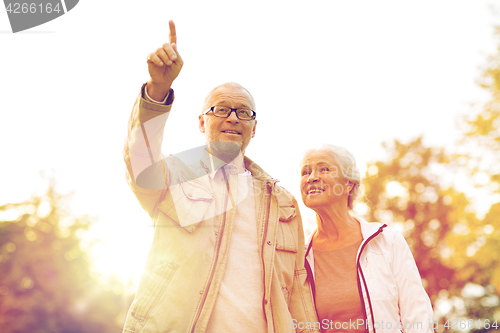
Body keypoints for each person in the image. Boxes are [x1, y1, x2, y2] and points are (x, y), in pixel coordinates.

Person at [122, 20, 319, 333]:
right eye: (221, 109)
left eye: (243, 112)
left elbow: (297, 288)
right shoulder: (176, 174)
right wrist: (157, 91)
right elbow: (140, 163)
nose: (233, 117)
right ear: (202, 122)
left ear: (255, 127)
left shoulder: (283, 203)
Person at [299, 144, 434, 333]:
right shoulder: (300, 257)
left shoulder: (387, 241)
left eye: (324, 169)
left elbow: (417, 316)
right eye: (306, 172)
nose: (311, 177)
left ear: (348, 184)